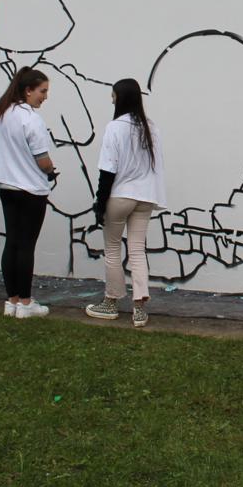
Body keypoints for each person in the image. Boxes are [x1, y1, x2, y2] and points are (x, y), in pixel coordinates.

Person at [85, 78, 165, 328]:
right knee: (138, 250)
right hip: (145, 197)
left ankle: (110, 303)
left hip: (120, 195)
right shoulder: (150, 127)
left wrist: (100, 203)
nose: (111, 99)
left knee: (112, 250)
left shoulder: (115, 127)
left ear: (120, 98)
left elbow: (107, 170)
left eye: (113, 95)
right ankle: (139, 308)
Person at [0, 67, 57, 319]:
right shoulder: (31, 119)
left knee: (12, 243)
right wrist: (51, 171)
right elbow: (43, 160)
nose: (45, 97)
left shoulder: (2, 115)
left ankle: (12, 300)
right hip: (31, 188)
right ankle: (26, 303)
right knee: (26, 246)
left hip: (7, 186)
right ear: (28, 90)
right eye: (42, 91)